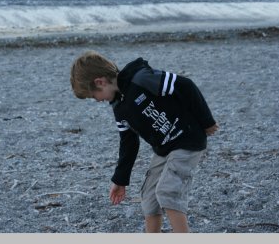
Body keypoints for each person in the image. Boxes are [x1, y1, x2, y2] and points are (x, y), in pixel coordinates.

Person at [70, 50, 218, 233]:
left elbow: (186, 85)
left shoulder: (141, 79)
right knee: (149, 197)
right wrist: (120, 179)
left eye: (94, 96)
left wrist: (207, 121)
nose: (97, 101)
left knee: (167, 191)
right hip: (165, 149)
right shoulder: (119, 108)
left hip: (187, 139)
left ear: (99, 82)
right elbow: (128, 143)